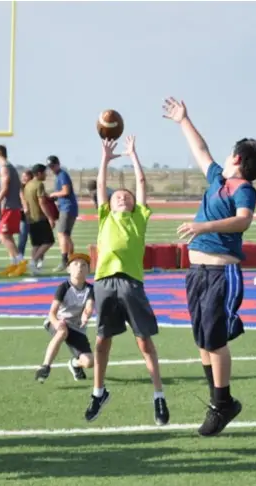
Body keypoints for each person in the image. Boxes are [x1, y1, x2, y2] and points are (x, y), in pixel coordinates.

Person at [163, 97, 256, 436]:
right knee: (202, 339)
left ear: (237, 159)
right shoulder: (217, 180)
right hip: (197, 272)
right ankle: (218, 400)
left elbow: (243, 222)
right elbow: (201, 149)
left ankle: (223, 402)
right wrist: (183, 120)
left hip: (221, 272)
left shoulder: (244, 189)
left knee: (215, 339)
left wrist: (202, 227)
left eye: (229, 154)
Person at [84, 135, 170, 426]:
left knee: (144, 342)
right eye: (117, 195)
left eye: (127, 196)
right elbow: (100, 185)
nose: (122, 196)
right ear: (108, 203)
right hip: (105, 281)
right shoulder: (105, 216)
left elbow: (142, 184)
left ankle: (158, 396)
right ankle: (98, 392)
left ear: (134, 204)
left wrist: (133, 155)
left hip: (131, 283)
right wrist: (106, 159)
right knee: (101, 341)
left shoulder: (139, 218)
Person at [35, 253, 95, 383]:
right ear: (68, 269)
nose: (79, 267)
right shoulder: (63, 288)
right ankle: (45, 366)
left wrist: (86, 316)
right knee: (62, 331)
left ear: (88, 270)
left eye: (84, 265)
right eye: (75, 264)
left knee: (89, 362)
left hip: (76, 328)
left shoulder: (90, 289)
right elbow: (52, 312)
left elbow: (89, 307)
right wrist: (56, 323)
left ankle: (74, 364)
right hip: (58, 322)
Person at [0, 145, 26, 276]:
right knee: (7, 236)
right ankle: (15, 264)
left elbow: (4, 189)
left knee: (2, 236)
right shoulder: (11, 167)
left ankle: (20, 262)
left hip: (9, 207)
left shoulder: (5, 168)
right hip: (12, 206)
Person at [22, 164, 57, 274]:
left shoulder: (28, 185)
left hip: (31, 218)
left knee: (36, 244)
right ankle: (34, 261)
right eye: (44, 172)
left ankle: (34, 268)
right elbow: (42, 203)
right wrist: (50, 218)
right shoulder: (39, 185)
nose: (46, 174)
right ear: (39, 173)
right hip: (40, 217)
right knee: (49, 241)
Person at [48, 155, 79, 272]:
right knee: (66, 235)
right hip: (67, 207)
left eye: (53, 166)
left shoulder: (62, 175)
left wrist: (54, 194)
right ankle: (71, 259)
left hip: (67, 208)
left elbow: (66, 191)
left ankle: (65, 261)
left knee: (62, 234)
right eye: (50, 167)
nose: (51, 169)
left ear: (58, 164)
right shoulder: (59, 176)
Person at [17, 170, 33, 262]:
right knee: (22, 238)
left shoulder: (33, 187)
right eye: (22, 176)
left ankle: (36, 259)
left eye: (25, 176)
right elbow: (22, 197)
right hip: (24, 216)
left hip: (34, 215)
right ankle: (20, 258)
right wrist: (25, 208)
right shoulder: (21, 187)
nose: (23, 178)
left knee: (36, 240)